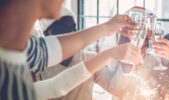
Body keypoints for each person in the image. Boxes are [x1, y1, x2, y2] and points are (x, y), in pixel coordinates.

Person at [0, 1, 142, 100]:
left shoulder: (24, 51)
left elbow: (51, 52)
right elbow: (56, 87)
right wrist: (109, 52)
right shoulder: (26, 67)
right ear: (48, 31)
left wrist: (108, 29)